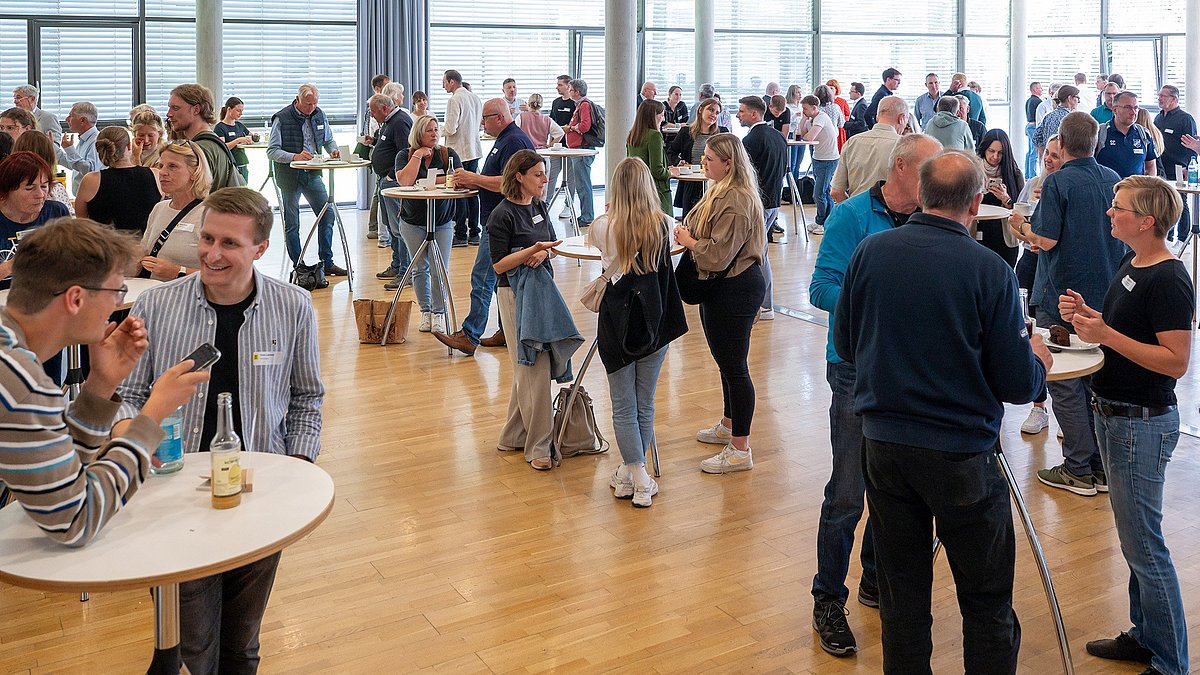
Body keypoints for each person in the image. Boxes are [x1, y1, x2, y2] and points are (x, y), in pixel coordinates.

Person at [834, 149, 1050, 674]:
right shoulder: (991, 271)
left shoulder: (871, 253)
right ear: (976, 203)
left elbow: (844, 341)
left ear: (923, 194)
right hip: (961, 455)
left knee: (901, 600)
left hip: (884, 446)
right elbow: (1017, 382)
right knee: (985, 598)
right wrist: (1038, 360)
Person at [116, 187, 324, 675]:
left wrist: (298, 468)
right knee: (193, 645)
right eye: (207, 238)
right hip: (173, 497)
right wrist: (132, 449)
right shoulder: (158, 308)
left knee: (242, 643)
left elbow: (307, 396)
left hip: (262, 495)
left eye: (229, 243)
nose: (211, 254)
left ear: (260, 249)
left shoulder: (293, 307)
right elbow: (127, 394)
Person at [807, 132, 941, 657]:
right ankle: (827, 599)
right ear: (902, 168)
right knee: (847, 492)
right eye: (930, 170)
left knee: (892, 490)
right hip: (855, 371)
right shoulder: (851, 217)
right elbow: (820, 288)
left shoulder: (931, 220)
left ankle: (872, 577)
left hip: (908, 372)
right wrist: (882, 303)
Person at [0, 217, 206, 546]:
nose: (117, 304)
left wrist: (100, 386)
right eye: (116, 290)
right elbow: (76, 518)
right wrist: (152, 416)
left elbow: (58, 478)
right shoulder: (20, 380)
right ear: (76, 299)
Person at [1061, 175, 1192, 675]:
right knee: (1134, 541)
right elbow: (1123, 331)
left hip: (1142, 423)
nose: (1110, 213)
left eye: (1119, 208)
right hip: (1115, 416)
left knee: (1146, 548)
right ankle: (1145, 635)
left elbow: (1175, 361)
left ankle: (1171, 663)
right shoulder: (1132, 263)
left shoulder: (1169, 278)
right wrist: (1091, 319)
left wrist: (1106, 333)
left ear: (1147, 221)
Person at [1018, 111, 1125, 496]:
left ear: (1060, 141)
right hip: (1105, 293)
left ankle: (1079, 467)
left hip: (1062, 295)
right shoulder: (1112, 179)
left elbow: (1044, 240)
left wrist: (1021, 226)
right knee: (1096, 379)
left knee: (1063, 381)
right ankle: (1099, 464)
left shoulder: (1059, 182)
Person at [593, 158, 687, 508]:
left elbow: (602, 256)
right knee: (644, 402)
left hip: (617, 322)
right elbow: (670, 265)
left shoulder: (604, 225)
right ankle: (635, 474)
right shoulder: (665, 223)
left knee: (622, 404)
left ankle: (636, 475)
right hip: (655, 320)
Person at [673, 134, 766, 474]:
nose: (704, 163)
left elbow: (717, 253)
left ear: (729, 163)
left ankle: (741, 448)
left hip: (736, 287)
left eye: (710, 158)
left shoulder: (737, 199)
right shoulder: (718, 189)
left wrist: (688, 240)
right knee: (726, 362)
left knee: (735, 367)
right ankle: (729, 424)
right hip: (723, 286)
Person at [488, 149, 579, 471]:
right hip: (514, 296)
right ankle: (539, 446)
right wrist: (532, 251)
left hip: (540, 293)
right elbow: (498, 264)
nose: (545, 180)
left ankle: (513, 435)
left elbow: (552, 246)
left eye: (545, 173)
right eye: (538, 175)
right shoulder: (502, 214)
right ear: (519, 177)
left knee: (529, 369)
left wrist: (543, 254)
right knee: (532, 368)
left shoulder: (539, 206)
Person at [435, 100, 536, 356]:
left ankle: (470, 335)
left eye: (485, 118)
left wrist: (474, 178)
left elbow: (511, 182)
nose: (482, 123)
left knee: (483, 277)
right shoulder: (506, 139)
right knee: (502, 280)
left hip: (502, 223)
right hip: (499, 219)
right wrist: (472, 183)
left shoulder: (513, 141)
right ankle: (507, 329)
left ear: (500, 117)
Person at [1009, 135, 1065, 435]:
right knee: (1030, 329)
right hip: (1031, 265)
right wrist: (1029, 236)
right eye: (1046, 153)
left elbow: (1048, 237)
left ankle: (1068, 411)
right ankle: (1039, 406)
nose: (1048, 159)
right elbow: (1015, 223)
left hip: (1055, 268)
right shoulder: (1032, 184)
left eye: (1055, 155)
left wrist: (1032, 235)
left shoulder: (1067, 191)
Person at [268, 83, 347, 276]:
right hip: (290, 176)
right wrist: (294, 156)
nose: (311, 108)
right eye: (307, 104)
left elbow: (328, 139)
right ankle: (299, 265)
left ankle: (327, 262)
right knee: (293, 222)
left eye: (314, 103)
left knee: (327, 214)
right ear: (298, 100)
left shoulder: (319, 114)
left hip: (313, 174)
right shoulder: (282, 118)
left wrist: (333, 150)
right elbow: (272, 151)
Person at [394, 114, 460, 334]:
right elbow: (405, 181)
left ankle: (439, 312)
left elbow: (457, 178)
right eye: (429, 130)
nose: (434, 134)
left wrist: (426, 182)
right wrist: (418, 157)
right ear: (418, 133)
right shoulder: (405, 155)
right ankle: (425, 311)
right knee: (419, 267)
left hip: (442, 221)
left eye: (436, 129)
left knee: (439, 267)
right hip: (412, 221)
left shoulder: (447, 154)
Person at [738, 96, 787, 319]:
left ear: (754, 114)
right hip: (773, 201)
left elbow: (742, 175)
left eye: (741, 111)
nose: (738, 115)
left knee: (759, 254)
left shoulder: (750, 141)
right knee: (761, 251)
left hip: (757, 203)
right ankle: (763, 304)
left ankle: (765, 305)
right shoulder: (778, 137)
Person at [139, 140, 211, 280]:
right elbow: (144, 250)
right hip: (156, 296)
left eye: (172, 166)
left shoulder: (210, 215)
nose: (163, 172)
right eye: (161, 166)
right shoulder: (159, 208)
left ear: (195, 172)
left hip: (191, 298)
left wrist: (179, 272)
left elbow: (226, 275)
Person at [73, 126, 160, 234]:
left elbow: (82, 223)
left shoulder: (91, 181)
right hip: (144, 247)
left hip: (105, 247)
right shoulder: (155, 175)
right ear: (129, 146)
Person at [0, 150, 70, 277]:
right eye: (30, 188)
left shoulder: (56, 213)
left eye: (44, 186)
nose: (40, 195)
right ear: (7, 189)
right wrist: (12, 265)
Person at [370, 93, 414, 282]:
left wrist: (390, 174)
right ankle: (397, 265)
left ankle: (406, 271)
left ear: (384, 108)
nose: (372, 115)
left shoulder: (400, 121)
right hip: (385, 181)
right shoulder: (388, 121)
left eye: (373, 111)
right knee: (390, 226)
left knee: (399, 228)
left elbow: (405, 152)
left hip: (393, 182)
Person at [832, 96, 909, 202]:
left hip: (856, 212)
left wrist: (853, 209)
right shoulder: (906, 146)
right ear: (902, 118)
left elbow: (836, 192)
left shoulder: (852, 143)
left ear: (877, 117)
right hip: (890, 215)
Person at [166, 84, 244, 190]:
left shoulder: (200, 149)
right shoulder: (213, 144)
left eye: (175, 108)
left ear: (196, 109)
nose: (169, 114)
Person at [442, 70, 484, 247]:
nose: (442, 85)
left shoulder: (454, 100)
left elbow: (451, 129)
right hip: (474, 150)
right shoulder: (475, 98)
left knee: (459, 192)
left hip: (458, 151)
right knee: (473, 193)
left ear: (452, 82)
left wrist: (436, 129)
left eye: (444, 81)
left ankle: (460, 234)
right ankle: (474, 232)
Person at [667, 97, 728, 220]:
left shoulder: (722, 133)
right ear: (700, 110)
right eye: (711, 110)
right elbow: (670, 152)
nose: (714, 115)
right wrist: (680, 163)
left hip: (715, 184)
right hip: (692, 183)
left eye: (717, 112)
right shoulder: (686, 132)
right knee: (689, 220)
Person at [975, 128, 1024, 267]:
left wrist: (1006, 199)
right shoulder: (972, 170)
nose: (995, 156)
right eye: (991, 151)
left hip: (1005, 239)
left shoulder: (1014, 174)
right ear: (984, 149)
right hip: (976, 235)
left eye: (1000, 153)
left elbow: (1022, 209)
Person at [1153, 85, 1196, 241]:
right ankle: (1167, 235)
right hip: (1161, 167)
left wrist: (1189, 167)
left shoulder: (1185, 119)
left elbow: (1192, 145)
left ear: (1174, 99)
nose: (1159, 98)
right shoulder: (1158, 118)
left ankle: (1183, 237)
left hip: (1179, 167)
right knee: (1164, 202)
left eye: (1163, 96)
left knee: (1181, 202)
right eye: (1159, 95)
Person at [798, 95, 841, 234]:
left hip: (828, 160)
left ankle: (822, 222)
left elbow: (809, 137)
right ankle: (826, 220)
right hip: (818, 158)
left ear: (814, 108)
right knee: (824, 191)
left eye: (805, 108)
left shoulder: (821, 117)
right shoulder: (811, 119)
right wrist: (804, 119)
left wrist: (806, 133)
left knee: (819, 193)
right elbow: (800, 133)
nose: (803, 111)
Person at [563, 79, 602, 229]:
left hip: (582, 149)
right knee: (581, 183)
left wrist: (571, 128)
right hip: (577, 149)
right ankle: (585, 215)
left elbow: (585, 126)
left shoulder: (584, 105)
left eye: (571, 90)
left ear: (577, 92)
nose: (569, 92)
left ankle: (587, 216)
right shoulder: (580, 105)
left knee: (583, 184)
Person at [1095, 91, 1158, 179]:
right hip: (1107, 190)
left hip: (1136, 190)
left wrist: (1147, 187)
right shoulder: (1100, 132)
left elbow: (1151, 166)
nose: (1133, 112)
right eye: (1128, 107)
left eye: (1136, 108)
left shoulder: (1143, 134)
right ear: (1115, 109)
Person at [625, 99, 672, 215]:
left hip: (636, 188)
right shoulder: (655, 135)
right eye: (661, 115)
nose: (663, 119)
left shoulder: (632, 134)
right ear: (653, 116)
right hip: (656, 191)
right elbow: (657, 170)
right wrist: (671, 173)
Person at [547, 75, 577, 217]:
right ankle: (545, 203)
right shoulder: (556, 102)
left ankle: (568, 205)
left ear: (568, 86)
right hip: (557, 146)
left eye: (560, 85)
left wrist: (569, 128)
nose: (557, 87)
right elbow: (551, 123)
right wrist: (551, 142)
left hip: (571, 146)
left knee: (570, 177)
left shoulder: (574, 104)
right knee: (552, 174)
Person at [56, 101, 102, 191]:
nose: (67, 119)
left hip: (90, 198)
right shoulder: (83, 140)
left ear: (82, 120)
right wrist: (53, 149)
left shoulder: (96, 140)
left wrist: (70, 150)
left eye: (71, 116)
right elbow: (75, 165)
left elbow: (90, 171)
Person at [213, 96, 254, 183]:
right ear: (229, 109)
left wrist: (254, 137)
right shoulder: (220, 127)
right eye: (238, 110)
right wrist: (238, 140)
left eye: (242, 111)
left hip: (242, 163)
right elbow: (222, 147)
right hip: (230, 165)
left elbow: (251, 135)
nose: (240, 113)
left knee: (244, 190)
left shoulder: (239, 125)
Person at [1034, 85, 1081, 155]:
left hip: (1049, 159)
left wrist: (1046, 153)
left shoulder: (1048, 116)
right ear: (1069, 98)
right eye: (1077, 97)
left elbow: (1036, 138)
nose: (1079, 101)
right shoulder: (1071, 119)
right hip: (1064, 159)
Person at [1025, 82, 1044, 178]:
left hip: (1029, 126)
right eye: (1040, 88)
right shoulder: (1038, 102)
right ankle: (1032, 175)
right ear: (1035, 89)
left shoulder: (1028, 101)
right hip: (1034, 127)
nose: (1042, 90)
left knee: (1029, 152)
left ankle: (1027, 174)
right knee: (1034, 152)